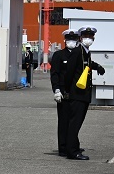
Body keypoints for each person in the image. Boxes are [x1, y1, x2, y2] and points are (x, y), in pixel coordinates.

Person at [61, 26, 105, 160]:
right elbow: (69, 72)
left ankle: (73, 147)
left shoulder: (85, 51)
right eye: (86, 36)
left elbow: (87, 64)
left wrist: (97, 67)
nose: (88, 38)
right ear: (80, 38)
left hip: (83, 94)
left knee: (76, 122)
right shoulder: (77, 51)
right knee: (74, 123)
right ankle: (72, 152)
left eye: (90, 36)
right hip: (77, 93)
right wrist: (67, 90)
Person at [50, 29, 79, 158]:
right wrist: (56, 90)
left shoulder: (79, 55)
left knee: (74, 121)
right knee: (63, 121)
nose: (71, 42)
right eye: (69, 39)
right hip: (63, 92)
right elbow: (55, 74)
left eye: (74, 39)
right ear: (65, 41)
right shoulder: (59, 55)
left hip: (76, 93)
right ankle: (62, 147)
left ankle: (72, 145)